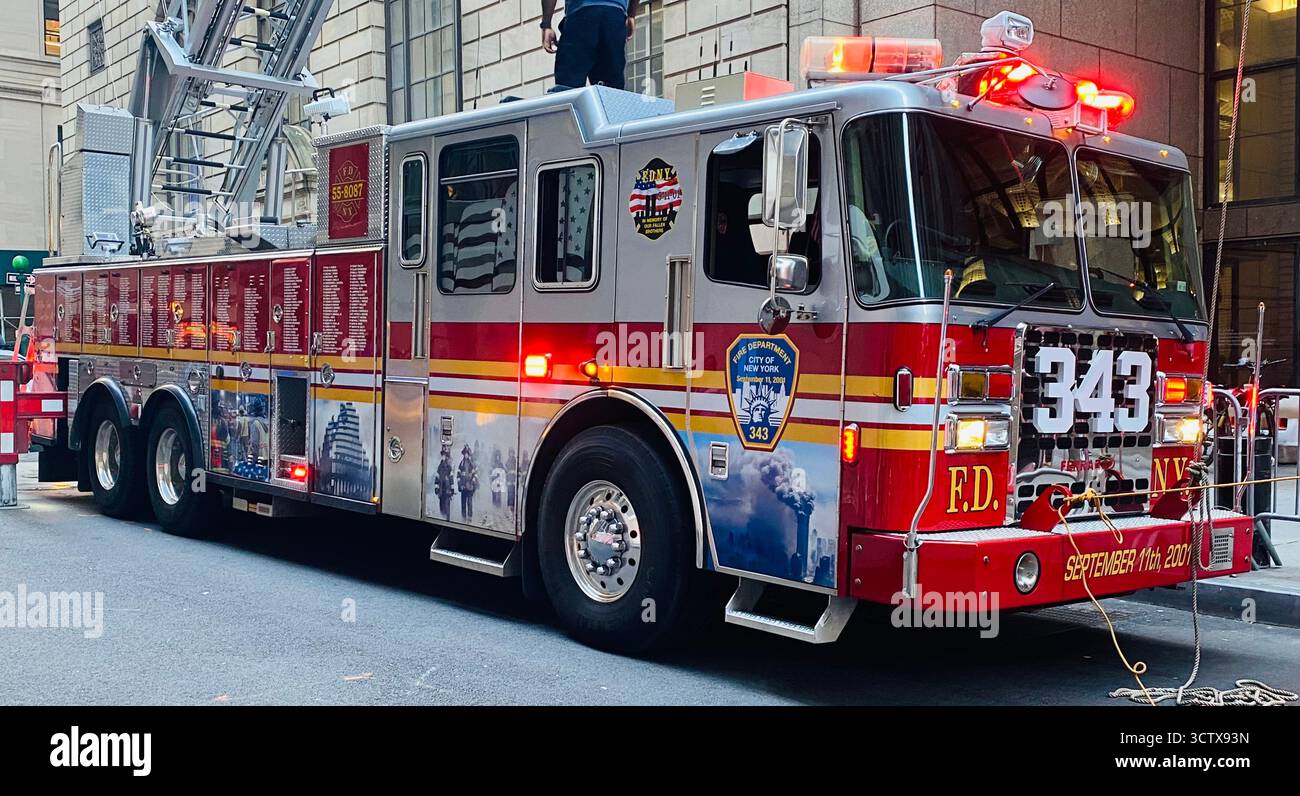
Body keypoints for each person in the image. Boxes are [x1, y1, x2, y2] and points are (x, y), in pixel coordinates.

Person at [540, 0, 638, 92]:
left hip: (581, 13)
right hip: (615, 14)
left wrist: (546, 24)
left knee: (568, 84)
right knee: (610, 88)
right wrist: (631, 15)